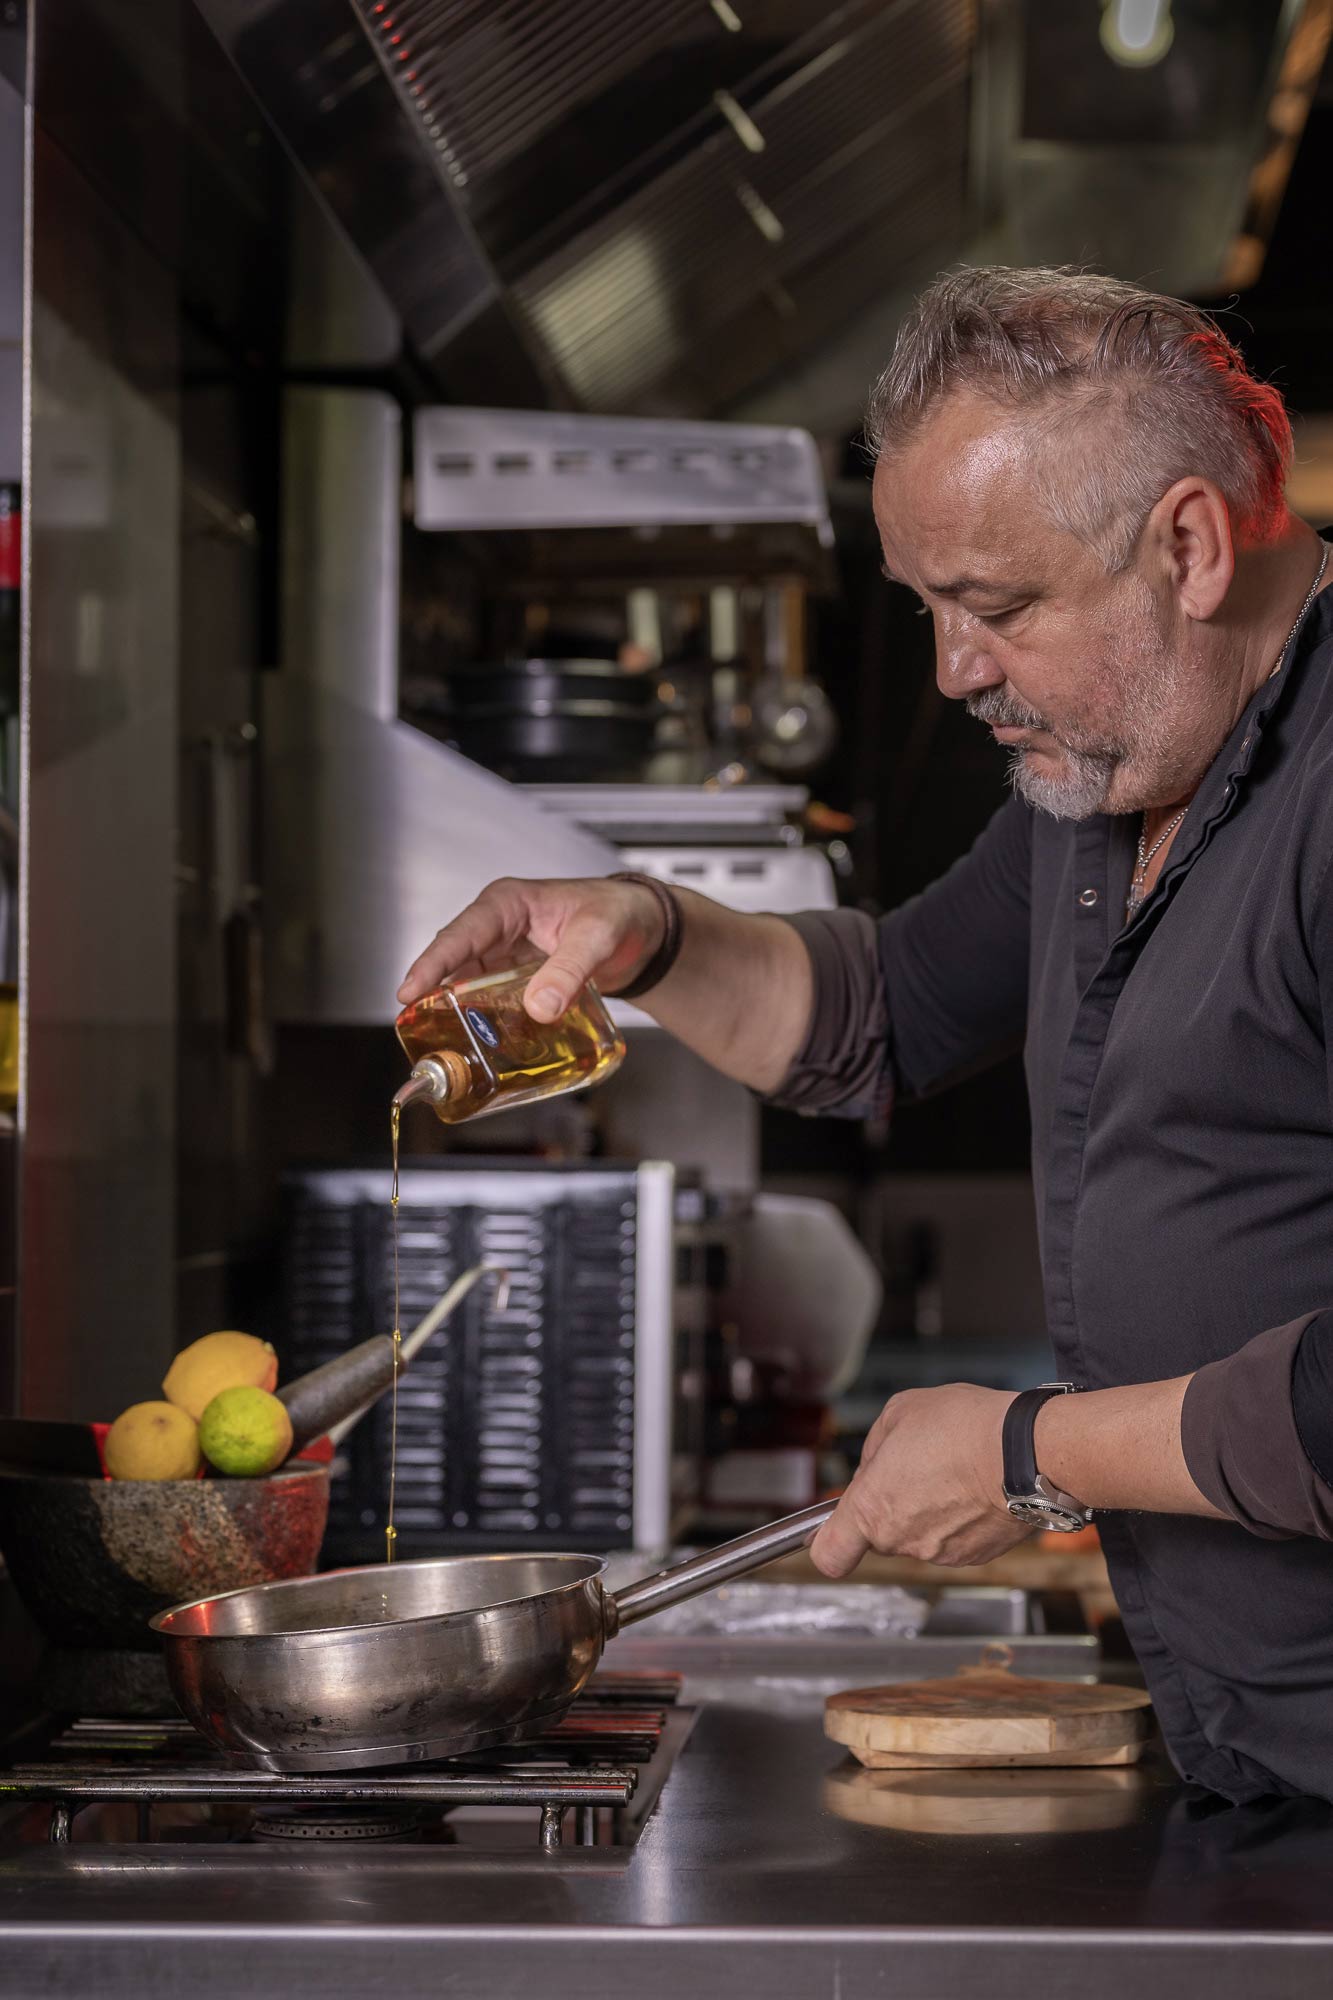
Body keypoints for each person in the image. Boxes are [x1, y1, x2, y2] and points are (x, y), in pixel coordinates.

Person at [400, 267, 1333, 1806]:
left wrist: (1031, 1454)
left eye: (998, 608)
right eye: (928, 611)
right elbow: (879, 1015)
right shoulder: (1107, 779)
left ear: (1187, 544)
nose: (956, 671)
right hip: (1256, 1758)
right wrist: (649, 934)